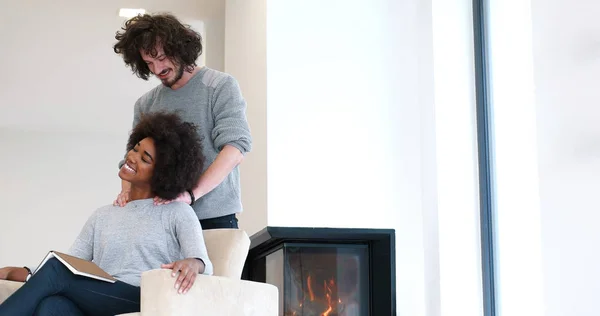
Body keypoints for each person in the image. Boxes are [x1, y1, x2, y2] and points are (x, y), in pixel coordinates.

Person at [0, 112, 213, 316]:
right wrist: (24, 271)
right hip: (101, 298)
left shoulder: (177, 212)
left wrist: (194, 263)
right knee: (52, 306)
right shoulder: (103, 215)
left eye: (145, 158)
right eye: (136, 149)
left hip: (144, 298)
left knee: (56, 271)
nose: (132, 157)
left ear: (162, 173)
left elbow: (204, 263)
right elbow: (69, 264)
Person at [112, 13, 252, 230]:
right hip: (161, 220)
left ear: (179, 48)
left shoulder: (219, 86)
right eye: (149, 62)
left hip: (213, 219)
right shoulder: (146, 104)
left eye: (161, 58)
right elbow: (133, 160)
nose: (157, 70)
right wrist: (127, 193)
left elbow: (235, 149)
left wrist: (191, 195)